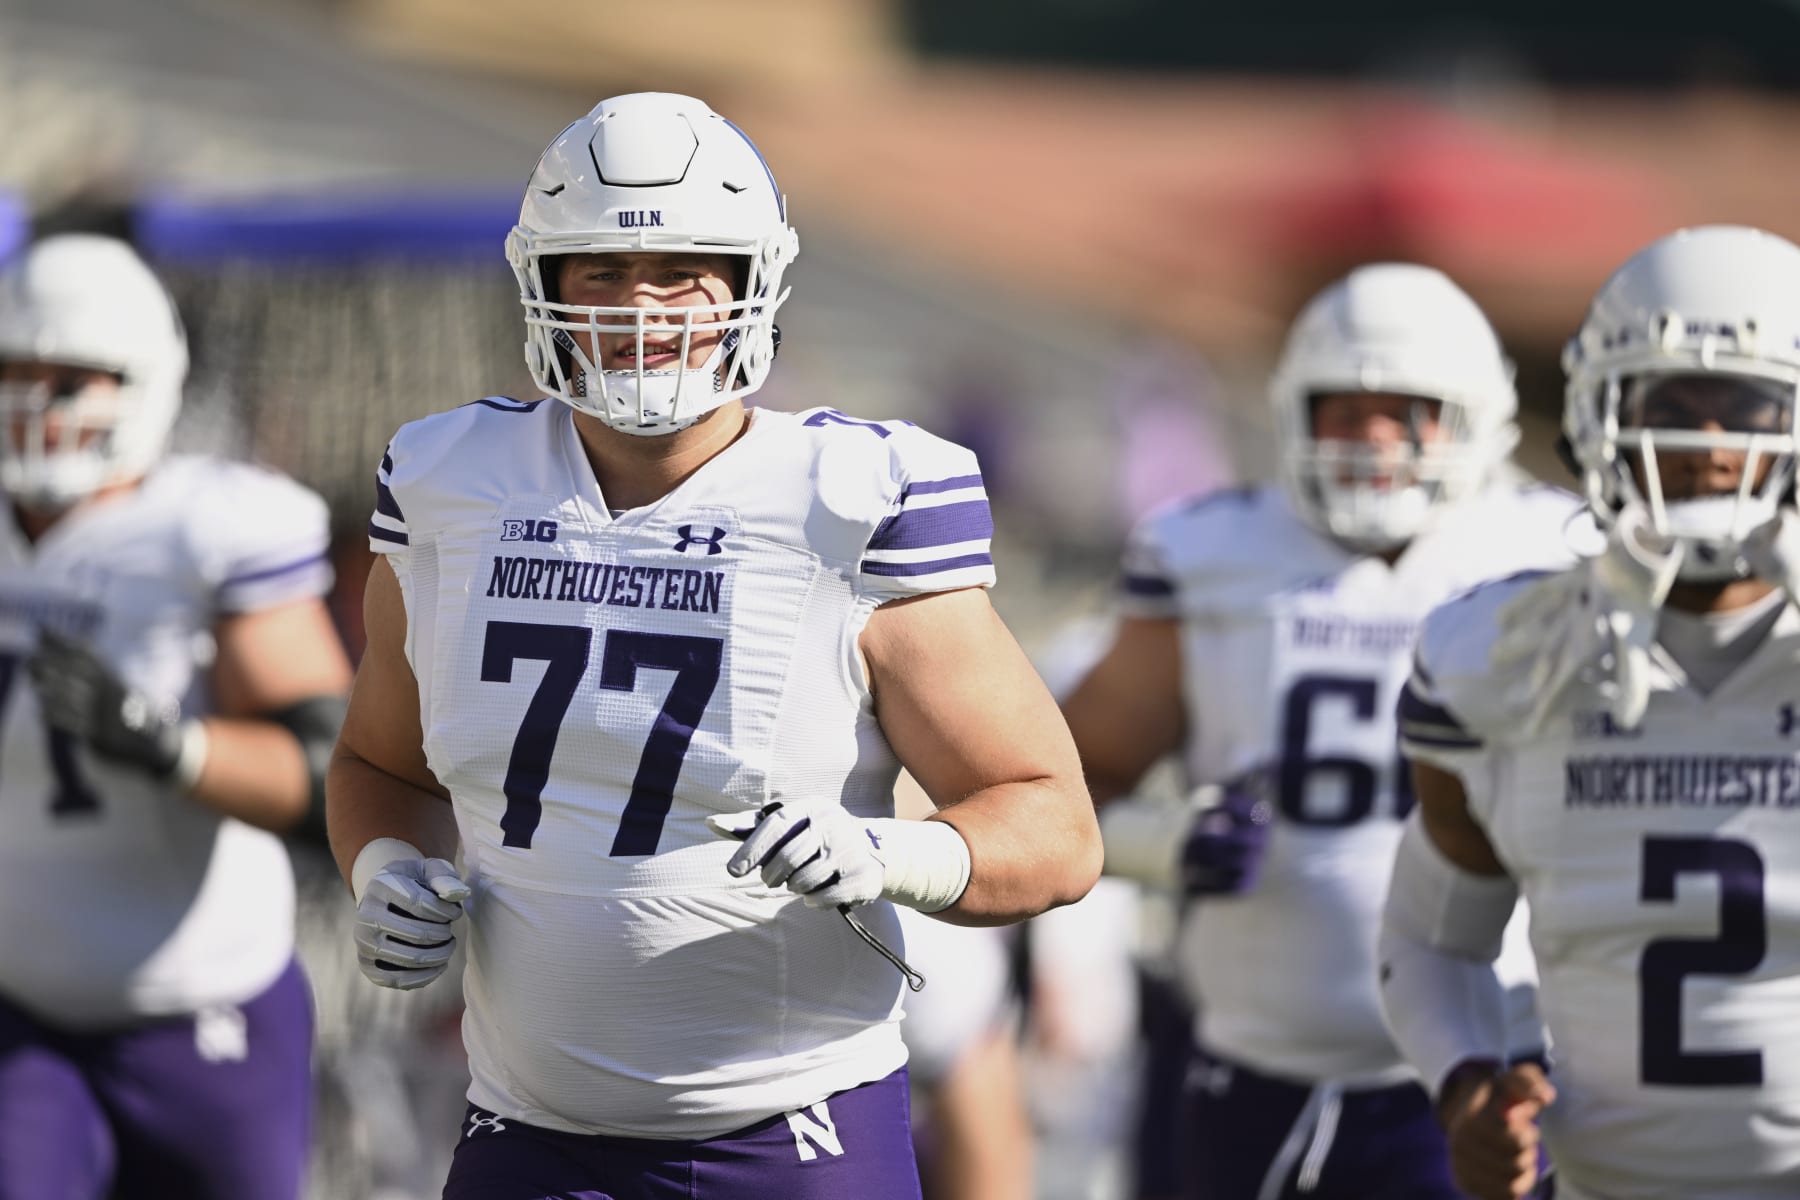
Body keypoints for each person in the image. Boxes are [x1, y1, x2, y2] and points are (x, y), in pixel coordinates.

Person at [325, 91, 1100, 1200]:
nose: (642, 308)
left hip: (788, 1139)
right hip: (527, 1136)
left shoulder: (850, 498)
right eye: (600, 269)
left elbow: (1055, 827)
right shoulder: (452, 481)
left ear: (750, 283)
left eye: (682, 269)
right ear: (542, 283)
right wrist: (386, 867)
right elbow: (378, 766)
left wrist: (888, 856)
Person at [1061, 262, 1570, 1200]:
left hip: (1478, 1064)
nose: (1372, 438)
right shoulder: (1210, 554)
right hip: (1249, 1055)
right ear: (1297, 411)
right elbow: (1062, 786)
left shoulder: (1556, 560)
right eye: (1345, 408)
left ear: (1475, 418)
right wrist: (1162, 843)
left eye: (1404, 409)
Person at [1380, 224, 1800, 1200]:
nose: (1701, 448)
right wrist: (1465, 1084)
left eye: (1740, 411)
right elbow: (1432, 938)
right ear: (1595, 420)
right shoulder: (1502, 659)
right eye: (1667, 407)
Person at [0, 233, 352, 1199]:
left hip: (202, 1011)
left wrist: (169, 745)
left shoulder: (204, 530)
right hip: (19, 1011)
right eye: (14, 371)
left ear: (142, 385)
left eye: (70, 377)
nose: (35, 401)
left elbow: (331, 777)